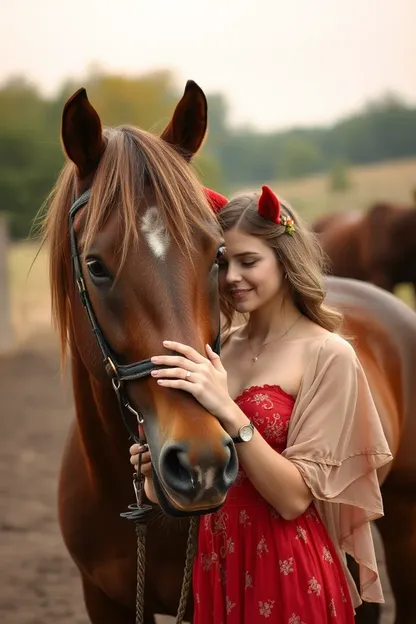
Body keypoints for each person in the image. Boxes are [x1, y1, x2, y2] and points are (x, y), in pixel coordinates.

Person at [130, 185, 392, 623]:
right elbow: (196, 487)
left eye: (249, 261)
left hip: (288, 567)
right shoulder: (220, 351)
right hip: (217, 567)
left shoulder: (327, 355)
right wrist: (154, 477)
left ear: (285, 260)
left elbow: (292, 500)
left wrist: (229, 412)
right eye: (222, 263)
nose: (232, 277)